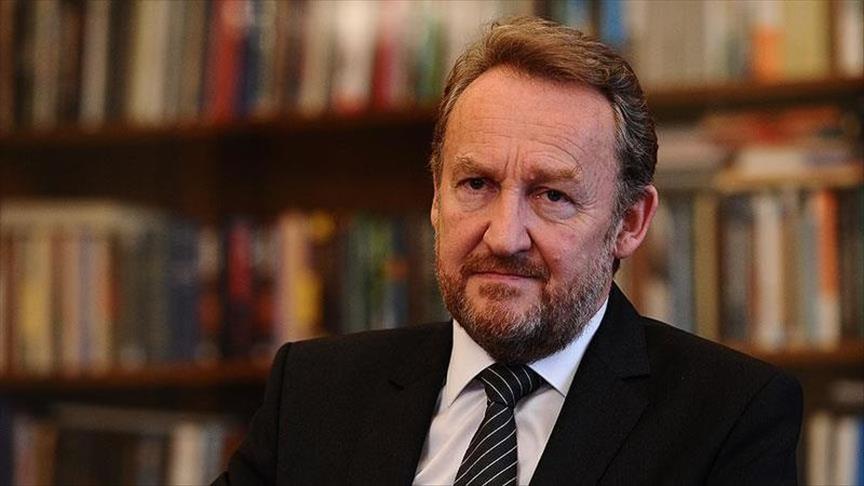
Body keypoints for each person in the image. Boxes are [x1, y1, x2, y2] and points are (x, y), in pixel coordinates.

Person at [214, 16, 802, 486]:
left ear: (629, 222)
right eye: (476, 184)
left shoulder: (729, 415)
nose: (504, 236)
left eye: (552, 195)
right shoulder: (314, 393)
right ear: (436, 197)